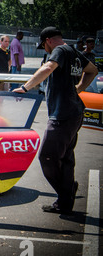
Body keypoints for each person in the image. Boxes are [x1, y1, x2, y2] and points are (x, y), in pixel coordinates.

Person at [13, 26, 98, 215]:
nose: (45, 51)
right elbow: (92, 70)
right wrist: (79, 88)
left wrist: (25, 88)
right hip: (74, 112)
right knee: (66, 158)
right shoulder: (74, 52)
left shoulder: (59, 50)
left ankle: (66, 192)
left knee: (47, 157)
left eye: (44, 46)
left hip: (62, 115)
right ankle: (65, 200)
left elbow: (49, 67)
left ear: (48, 40)